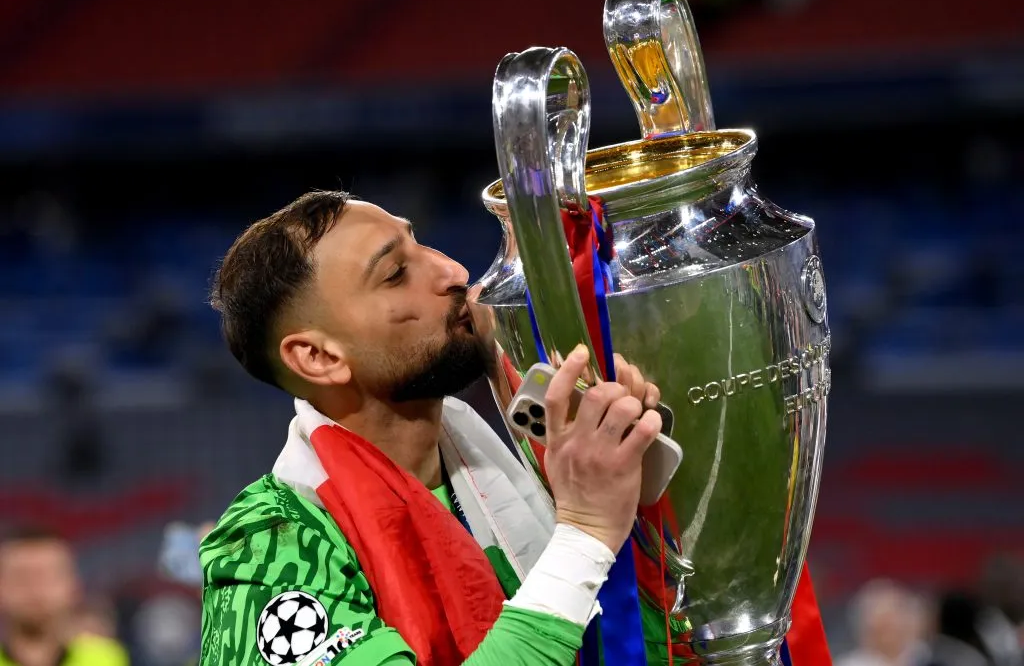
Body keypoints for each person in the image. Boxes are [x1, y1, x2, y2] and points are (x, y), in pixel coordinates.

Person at [199, 190, 666, 666]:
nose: (454, 273)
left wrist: (635, 510)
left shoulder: (520, 464)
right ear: (318, 358)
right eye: (397, 274)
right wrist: (584, 534)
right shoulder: (267, 550)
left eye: (419, 242)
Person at [0, 526, 129, 666]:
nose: (35, 588)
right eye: (22, 576)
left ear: (73, 585)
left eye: (47, 577)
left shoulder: (106, 659)